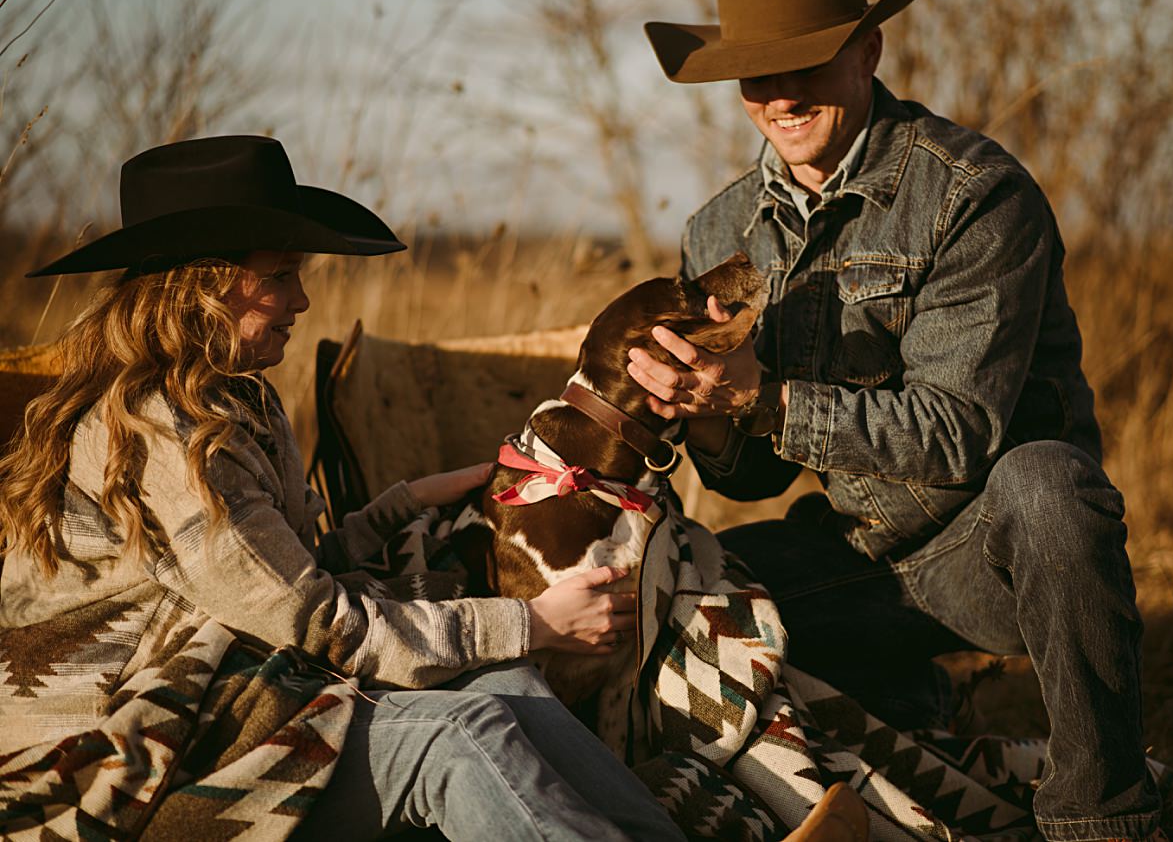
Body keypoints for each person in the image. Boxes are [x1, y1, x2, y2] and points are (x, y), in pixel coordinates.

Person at [0, 135, 687, 841]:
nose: (301, 299)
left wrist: (404, 504)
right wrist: (536, 623)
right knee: (456, 735)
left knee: (509, 687)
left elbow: (279, 576)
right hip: (134, 752)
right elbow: (320, 623)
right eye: (279, 276)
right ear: (200, 286)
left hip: (233, 698)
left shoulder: (240, 403)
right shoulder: (159, 436)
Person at [631, 0, 1164, 839]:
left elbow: (957, 435)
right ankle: (904, 717)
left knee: (1048, 485)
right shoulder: (718, 229)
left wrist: (761, 397)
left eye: (805, 62)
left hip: (989, 551)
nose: (781, 95)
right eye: (755, 76)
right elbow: (755, 477)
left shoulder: (977, 194)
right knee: (687, 590)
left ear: (868, 51)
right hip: (852, 552)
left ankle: (1101, 812)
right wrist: (700, 406)